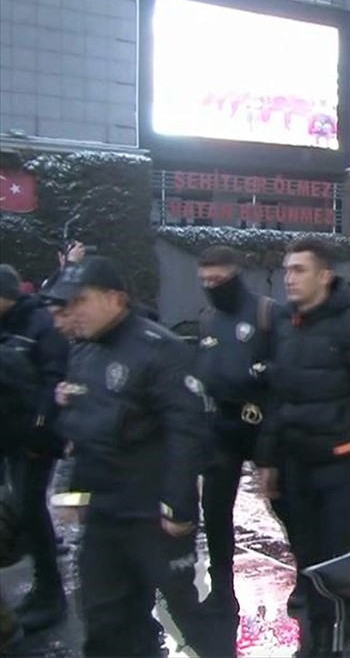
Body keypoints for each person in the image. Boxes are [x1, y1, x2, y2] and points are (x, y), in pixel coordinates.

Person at [43, 257, 226, 655]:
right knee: (104, 615)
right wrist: (73, 494)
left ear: (115, 299)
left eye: (80, 301)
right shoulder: (84, 352)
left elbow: (187, 432)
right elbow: (78, 430)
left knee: (185, 614)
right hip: (105, 513)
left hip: (152, 514)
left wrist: (178, 506)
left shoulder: (161, 350)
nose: (72, 312)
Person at [256, 239, 350, 655]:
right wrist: (267, 459)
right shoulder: (286, 325)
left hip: (344, 464)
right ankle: (320, 637)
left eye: (299, 269)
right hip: (297, 464)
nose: (289, 278)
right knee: (308, 560)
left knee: (341, 562)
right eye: (287, 269)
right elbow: (277, 397)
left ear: (324, 276)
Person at [191, 247, 289, 641]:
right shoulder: (207, 318)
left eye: (217, 280)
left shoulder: (267, 313)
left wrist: (271, 452)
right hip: (222, 426)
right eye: (204, 281)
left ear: (235, 275)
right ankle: (222, 591)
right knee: (214, 511)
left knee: (286, 507)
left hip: (264, 424)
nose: (211, 287)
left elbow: (285, 372)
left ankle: (312, 580)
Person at [0, 265, 69, 634]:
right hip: (9, 433)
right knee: (22, 508)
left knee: (30, 508)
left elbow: (53, 379)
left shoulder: (40, 324)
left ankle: (50, 593)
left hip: (35, 438)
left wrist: (41, 427)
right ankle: (41, 589)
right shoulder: (9, 324)